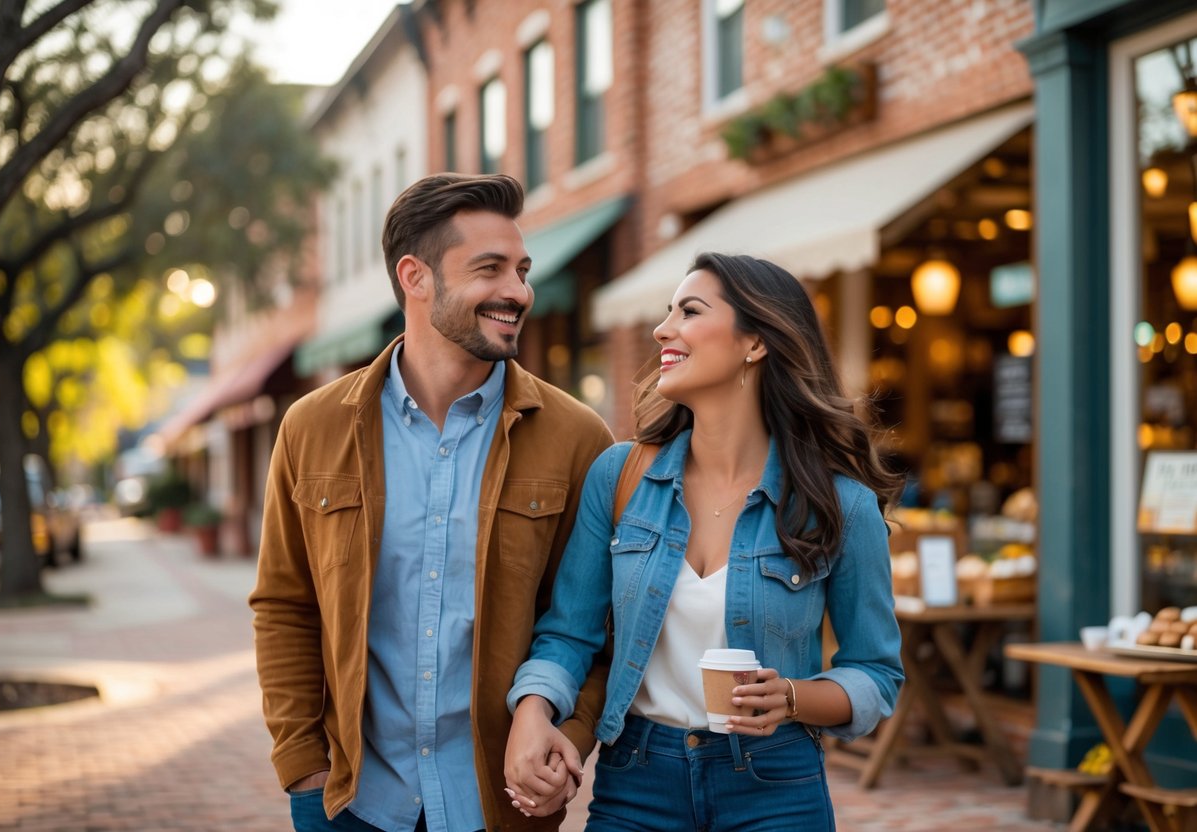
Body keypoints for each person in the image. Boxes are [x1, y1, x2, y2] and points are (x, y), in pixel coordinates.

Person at [250, 173, 614, 832]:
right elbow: (284, 604)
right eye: (490, 269)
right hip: (353, 803)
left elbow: (596, 625)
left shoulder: (577, 438)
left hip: (501, 806)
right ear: (415, 278)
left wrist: (571, 737)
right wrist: (303, 765)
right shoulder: (312, 428)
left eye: (522, 270)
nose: (518, 291)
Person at [503, 252, 904, 829]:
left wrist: (791, 697)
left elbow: (875, 672)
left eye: (689, 311)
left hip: (777, 788)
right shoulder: (618, 478)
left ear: (756, 342)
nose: (664, 329)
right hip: (636, 782)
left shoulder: (840, 504)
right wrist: (533, 711)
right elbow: (569, 633)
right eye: (668, 312)